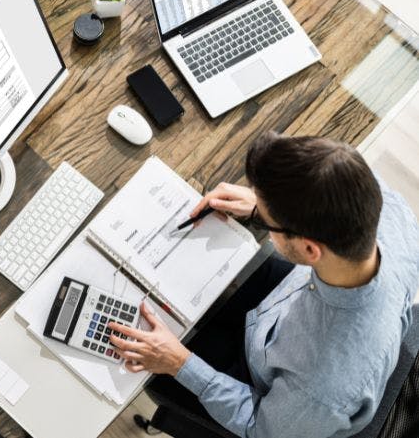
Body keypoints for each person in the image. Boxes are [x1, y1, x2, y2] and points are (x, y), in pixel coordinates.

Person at [108, 131, 419, 438]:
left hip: (264, 389)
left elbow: (260, 427)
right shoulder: (387, 209)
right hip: (284, 306)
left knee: (151, 364)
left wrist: (179, 363)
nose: (266, 225)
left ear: (310, 249)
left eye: (271, 224)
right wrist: (262, 206)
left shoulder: (323, 384)